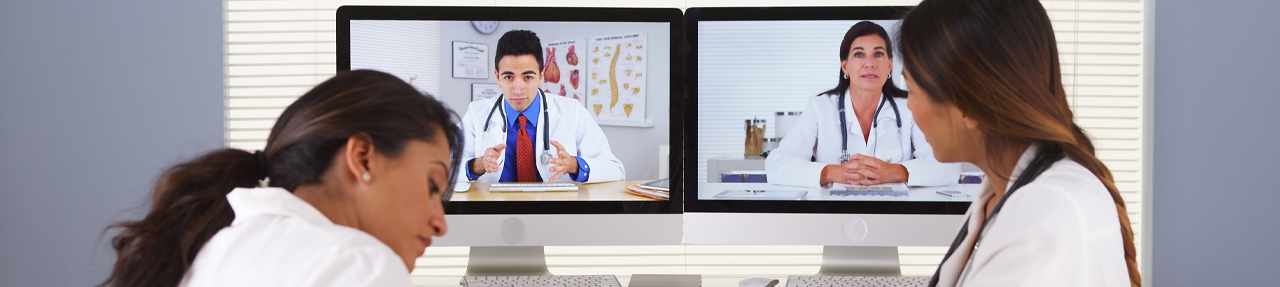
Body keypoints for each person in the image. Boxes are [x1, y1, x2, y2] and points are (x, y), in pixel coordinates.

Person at [99, 70, 462, 287]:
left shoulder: (219, 248)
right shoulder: (360, 264)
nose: (440, 223)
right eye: (432, 186)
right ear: (362, 157)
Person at [897, 0, 1140, 286]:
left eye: (911, 90)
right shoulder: (1005, 190)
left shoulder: (1046, 215)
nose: (909, 107)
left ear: (968, 106)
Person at [766, 21, 959, 188]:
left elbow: (949, 165)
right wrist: (833, 173)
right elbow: (776, 164)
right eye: (859, 55)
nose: (869, 63)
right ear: (845, 66)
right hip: (831, 216)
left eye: (878, 54)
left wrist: (893, 172)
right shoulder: (820, 108)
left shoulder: (910, 107)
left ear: (889, 64)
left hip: (897, 216)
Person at [459, 30, 624, 183]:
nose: (518, 89)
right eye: (508, 77)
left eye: (528, 77)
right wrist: (478, 165)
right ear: (497, 77)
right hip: (495, 212)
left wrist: (573, 165)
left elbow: (615, 170)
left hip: (552, 211)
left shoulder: (572, 111)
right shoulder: (477, 113)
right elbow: (441, 167)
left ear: (541, 77)